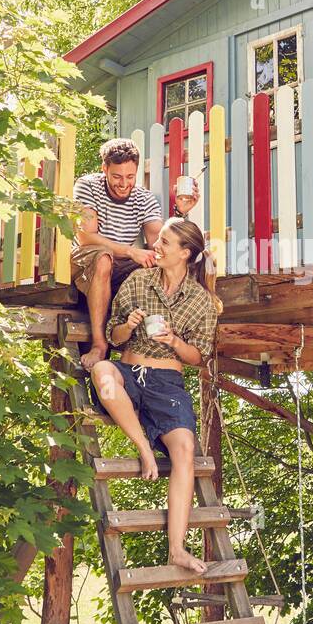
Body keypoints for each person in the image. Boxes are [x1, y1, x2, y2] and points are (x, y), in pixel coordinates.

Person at [90, 217, 220, 575]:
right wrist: (127, 325)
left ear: (185, 253)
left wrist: (176, 342)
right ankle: (144, 448)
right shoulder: (137, 280)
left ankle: (177, 548)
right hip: (128, 371)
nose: (157, 247)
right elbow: (114, 340)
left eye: (165, 243)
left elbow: (200, 357)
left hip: (168, 384)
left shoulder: (201, 302)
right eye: (158, 240)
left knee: (184, 451)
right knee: (102, 372)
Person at [71, 138, 198, 370]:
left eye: (130, 177)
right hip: (86, 259)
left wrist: (180, 212)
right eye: (117, 176)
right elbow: (86, 237)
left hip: (121, 267)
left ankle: (150, 345)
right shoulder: (87, 185)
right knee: (102, 259)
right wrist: (131, 251)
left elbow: (159, 242)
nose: (123, 183)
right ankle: (99, 345)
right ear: (104, 169)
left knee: (158, 264)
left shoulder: (144, 198)